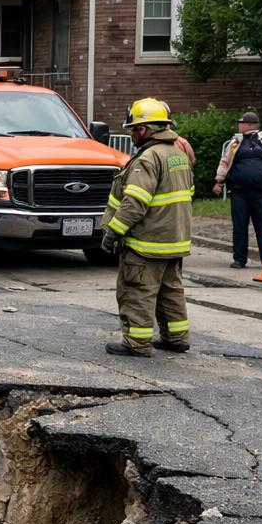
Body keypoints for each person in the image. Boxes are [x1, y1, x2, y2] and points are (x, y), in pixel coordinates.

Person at [99, 97, 195, 358]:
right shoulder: (178, 154)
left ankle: (137, 343)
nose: (130, 134)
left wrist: (113, 231)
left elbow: (135, 203)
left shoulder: (148, 158)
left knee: (137, 291)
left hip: (147, 241)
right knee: (170, 291)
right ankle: (176, 337)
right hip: (174, 239)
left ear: (145, 129)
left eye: (132, 129)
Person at [213, 111, 262, 268]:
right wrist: (219, 181)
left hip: (261, 191)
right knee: (240, 226)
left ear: (248, 125)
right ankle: (240, 259)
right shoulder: (235, 142)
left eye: (240, 123)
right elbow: (225, 162)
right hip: (239, 192)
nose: (238, 125)